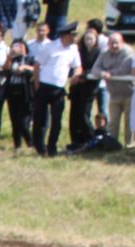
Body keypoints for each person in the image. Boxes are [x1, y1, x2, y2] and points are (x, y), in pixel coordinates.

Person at [29, 19, 80, 156]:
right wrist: (37, 84)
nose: (75, 38)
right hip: (44, 86)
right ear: (66, 36)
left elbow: (77, 66)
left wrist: (76, 74)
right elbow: (37, 65)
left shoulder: (73, 49)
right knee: (39, 119)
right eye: (73, 35)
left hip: (58, 88)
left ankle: (52, 147)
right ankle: (39, 147)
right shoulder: (50, 47)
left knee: (56, 121)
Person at [91, 29, 135, 146]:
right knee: (113, 122)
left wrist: (109, 73)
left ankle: (129, 145)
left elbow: (124, 69)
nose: (114, 45)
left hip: (129, 93)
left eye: (117, 43)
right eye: (111, 43)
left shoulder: (128, 52)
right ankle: (112, 144)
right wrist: (102, 74)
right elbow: (95, 69)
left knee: (130, 122)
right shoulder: (104, 53)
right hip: (114, 94)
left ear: (122, 42)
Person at [65, 19, 102, 148]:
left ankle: (91, 138)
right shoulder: (78, 51)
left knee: (83, 114)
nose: (89, 41)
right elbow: (73, 65)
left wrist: (82, 75)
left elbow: (96, 69)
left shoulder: (98, 53)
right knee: (74, 115)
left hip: (89, 87)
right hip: (76, 87)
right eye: (87, 38)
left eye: (91, 38)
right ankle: (76, 140)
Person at [2, 34, 35, 149]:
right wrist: (10, 57)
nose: (17, 48)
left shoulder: (30, 58)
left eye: (19, 46)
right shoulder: (13, 59)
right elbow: (5, 68)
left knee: (23, 121)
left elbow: (36, 69)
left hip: (25, 92)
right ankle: (17, 144)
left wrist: (25, 67)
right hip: (12, 90)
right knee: (14, 119)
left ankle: (31, 143)